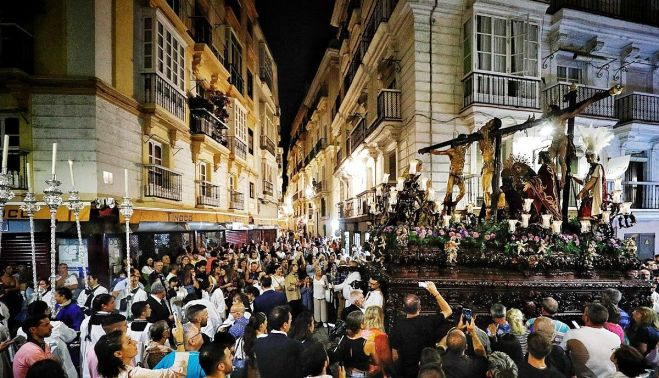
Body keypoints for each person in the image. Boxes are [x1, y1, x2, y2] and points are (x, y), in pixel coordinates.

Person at [390, 281, 452, 378]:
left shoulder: (398, 326)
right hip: (428, 370)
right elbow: (448, 311)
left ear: (403, 309)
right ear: (420, 308)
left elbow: (394, 356)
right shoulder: (429, 321)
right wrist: (435, 292)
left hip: (406, 371)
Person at [561, 303, 621, 377]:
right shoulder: (616, 337)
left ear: (586, 318)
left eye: (584, 313)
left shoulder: (572, 334)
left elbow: (559, 353)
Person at [95, 329, 186, 378]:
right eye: (129, 342)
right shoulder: (135, 374)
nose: (135, 342)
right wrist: (180, 341)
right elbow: (177, 373)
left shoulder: (106, 374)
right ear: (118, 354)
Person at [253, 306, 304, 378]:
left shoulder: (258, 344)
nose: (291, 323)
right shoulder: (296, 346)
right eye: (290, 321)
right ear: (285, 325)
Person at [362, 306, 394, 377]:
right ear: (380, 318)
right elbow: (386, 359)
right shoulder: (381, 336)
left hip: (361, 370)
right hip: (376, 373)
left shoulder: (361, 333)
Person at [234, 312, 267, 378]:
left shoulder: (240, 339)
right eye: (266, 323)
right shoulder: (267, 340)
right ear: (261, 325)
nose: (267, 325)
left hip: (243, 372)